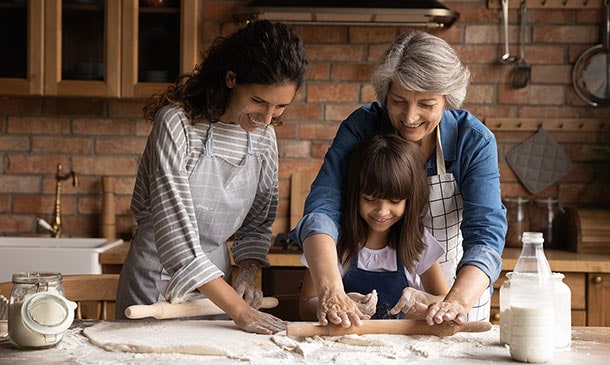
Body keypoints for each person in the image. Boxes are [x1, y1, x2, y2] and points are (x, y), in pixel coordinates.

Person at [292, 30, 506, 328]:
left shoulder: (474, 141)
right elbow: (322, 209)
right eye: (398, 101)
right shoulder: (361, 128)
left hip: (458, 291)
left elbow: (485, 235)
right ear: (385, 95)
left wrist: (455, 301)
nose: (409, 116)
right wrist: (332, 292)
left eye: (426, 105)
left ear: (447, 100)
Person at [116, 20, 308, 335]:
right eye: (259, 102)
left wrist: (245, 276)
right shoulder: (176, 125)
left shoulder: (263, 138)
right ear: (231, 78)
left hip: (218, 288)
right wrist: (238, 309)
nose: (268, 118)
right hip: (156, 282)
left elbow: (256, 226)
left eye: (281, 107)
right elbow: (176, 237)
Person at [299, 134, 449, 321]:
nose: (382, 211)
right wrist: (339, 303)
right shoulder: (332, 241)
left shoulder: (418, 242)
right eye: (370, 199)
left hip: (401, 348)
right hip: (343, 345)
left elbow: (445, 301)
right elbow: (306, 306)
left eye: (394, 201)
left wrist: (424, 299)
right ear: (355, 194)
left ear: (409, 200)